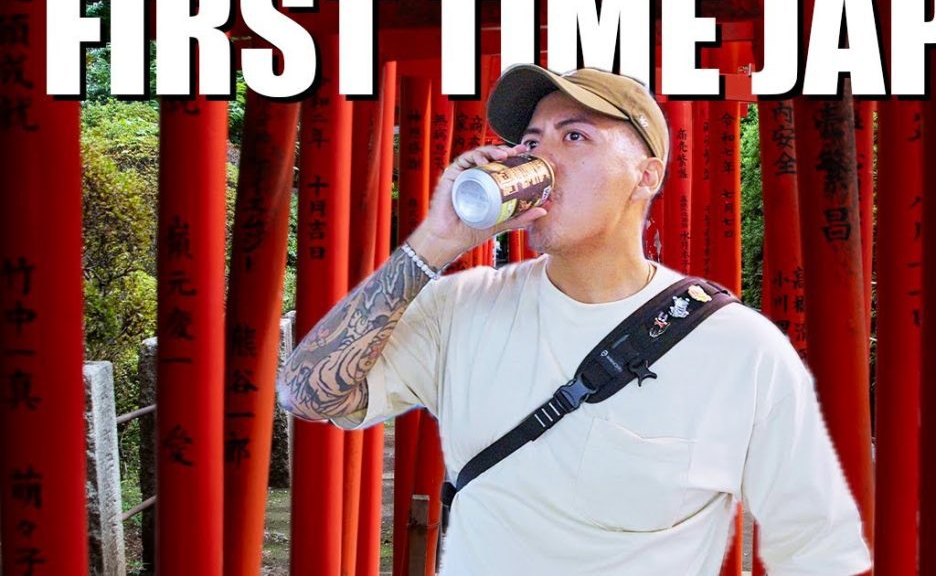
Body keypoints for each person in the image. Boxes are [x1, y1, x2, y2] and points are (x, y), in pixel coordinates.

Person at [278, 65, 873, 575]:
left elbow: (817, 546)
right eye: (531, 142)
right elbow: (307, 393)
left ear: (646, 176)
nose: (542, 158)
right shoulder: (460, 307)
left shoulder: (738, 347)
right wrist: (435, 241)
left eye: (575, 136)